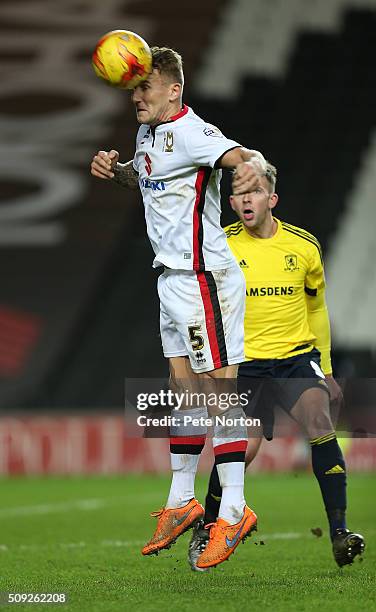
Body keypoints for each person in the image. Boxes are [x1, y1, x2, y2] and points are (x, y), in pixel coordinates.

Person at [90, 46, 267, 569]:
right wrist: (117, 171)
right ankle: (180, 499)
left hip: (203, 277)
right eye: (133, 87)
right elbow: (151, 182)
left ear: (174, 90)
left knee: (218, 390)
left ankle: (232, 509)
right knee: (182, 385)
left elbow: (243, 157)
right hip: (171, 277)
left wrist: (245, 174)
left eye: (146, 87)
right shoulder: (146, 134)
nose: (136, 95)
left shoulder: (194, 132)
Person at [188, 162, 365, 571]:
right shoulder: (221, 246)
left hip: (295, 359)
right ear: (230, 202)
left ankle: (339, 533)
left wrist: (328, 366)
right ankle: (208, 528)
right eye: (239, 193)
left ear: (272, 198)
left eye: (254, 190)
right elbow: (202, 306)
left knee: (320, 423)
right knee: (244, 448)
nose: (246, 198)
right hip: (245, 364)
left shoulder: (303, 247)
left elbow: (316, 307)